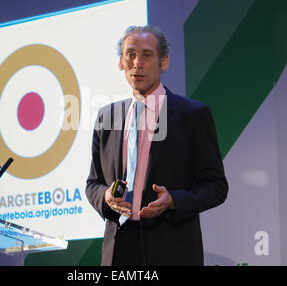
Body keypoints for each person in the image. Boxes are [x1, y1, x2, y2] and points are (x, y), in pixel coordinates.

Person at [85, 25, 228, 266]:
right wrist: (106, 196)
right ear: (120, 62)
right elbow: (93, 184)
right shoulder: (106, 117)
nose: (137, 63)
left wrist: (174, 200)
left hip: (171, 247)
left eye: (147, 55)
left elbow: (216, 186)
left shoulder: (191, 115)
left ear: (164, 61)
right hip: (118, 249)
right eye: (130, 54)